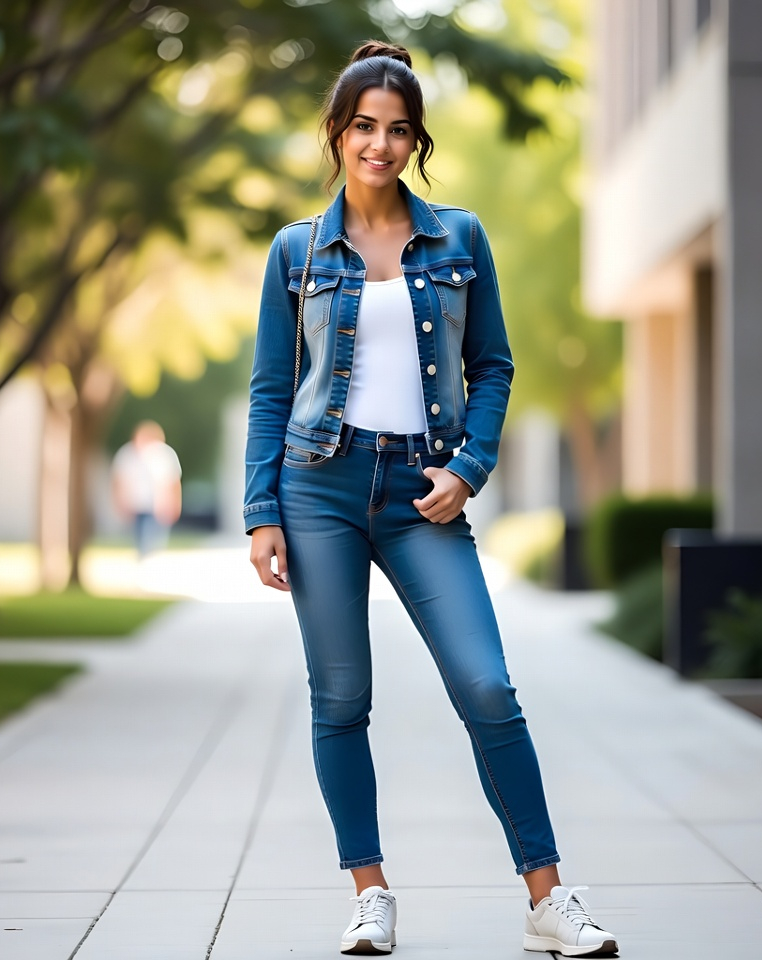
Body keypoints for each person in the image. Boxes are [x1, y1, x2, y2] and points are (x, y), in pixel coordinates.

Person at [244, 41, 618, 957]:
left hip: (425, 491)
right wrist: (262, 512)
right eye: (364, 126)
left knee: (487, 686)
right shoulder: (296, 251)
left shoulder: (461, 238)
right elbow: (268, 388)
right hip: (318, 483)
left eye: (398, 129)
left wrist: (471, 467)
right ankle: (370, 894)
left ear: (416, 140)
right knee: (341, 698)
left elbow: (492, 365)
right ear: (337, 133)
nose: (380, 144)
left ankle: (548, 899)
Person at [111, 420, 182, 557]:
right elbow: (118, 481)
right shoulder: (127, 454)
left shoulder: (165, 455)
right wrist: (120, 502)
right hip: (135, 505)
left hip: (159, 505)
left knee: (156, 539)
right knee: (140, 539)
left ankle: (151, 558)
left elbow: (173, 482)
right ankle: (144, 559)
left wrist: (175, 504)